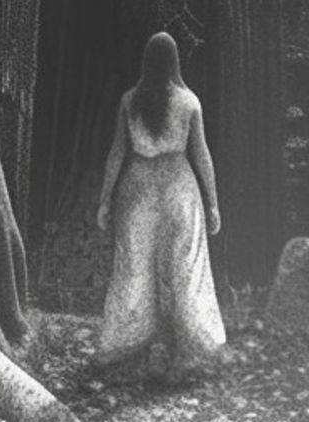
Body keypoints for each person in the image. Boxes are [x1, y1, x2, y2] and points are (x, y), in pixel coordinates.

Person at [94, 31, 226, 379]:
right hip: (179, 188)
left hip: (137, 190)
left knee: (134, 268)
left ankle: (130, 352)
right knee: (184, 271)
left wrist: (105, 200)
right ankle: (189, 356)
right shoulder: (189, 102)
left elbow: (117, 153)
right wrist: (212, 203)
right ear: (174, 62)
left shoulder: (129, 101)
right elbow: (201, 156)